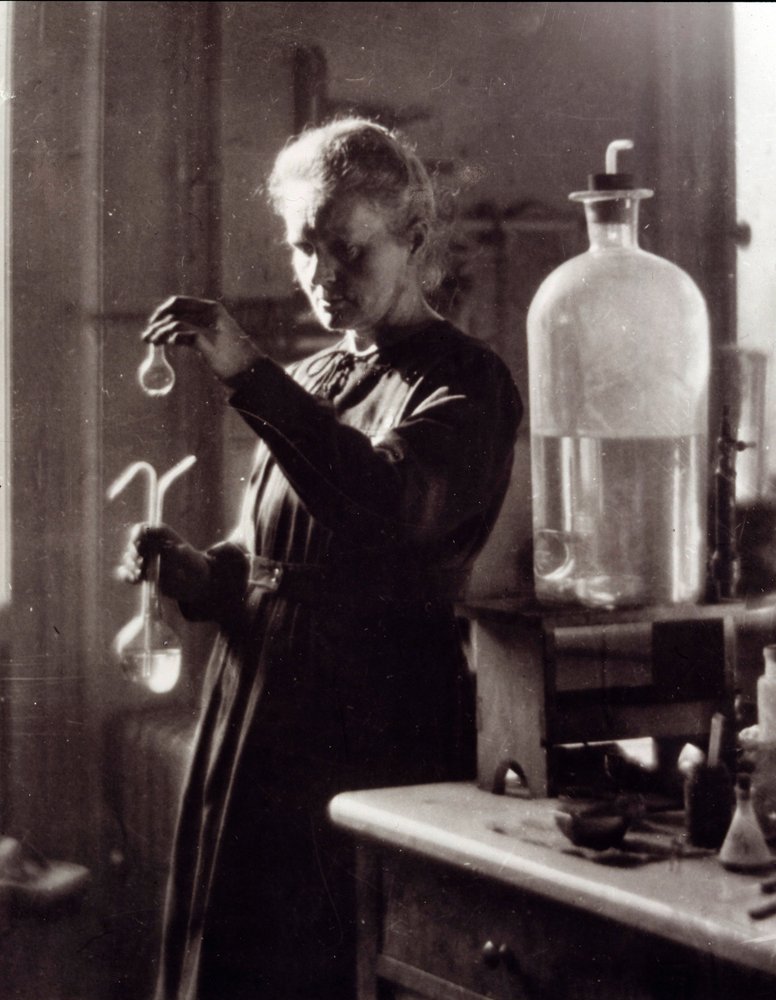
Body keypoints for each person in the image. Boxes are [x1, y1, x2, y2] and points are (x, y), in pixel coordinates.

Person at [119, 117, 522, 1000]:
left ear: (412, 239)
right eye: (306, 249)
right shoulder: (312, 380)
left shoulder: (464, 383)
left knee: (324, 964)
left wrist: (244, 371)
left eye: (349, 250)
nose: (323, 278)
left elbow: (383, 508)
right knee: (232, 960)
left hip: (367, 728)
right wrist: (200, 572)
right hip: (254, 721)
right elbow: (267, 559)